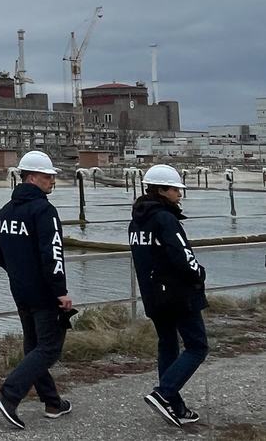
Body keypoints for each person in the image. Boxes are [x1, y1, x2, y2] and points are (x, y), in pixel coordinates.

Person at [0, 150, 74, 429]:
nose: (53, 181)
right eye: (49, 176)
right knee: (49, 349)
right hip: (44, 292)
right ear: (33, 177)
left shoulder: (6, 210)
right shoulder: (44, 210)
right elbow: (54, 253)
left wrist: (16, 272)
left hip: (20, 289)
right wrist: (60, 290)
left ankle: (52, 402)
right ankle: (9, 394)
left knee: (33, 346)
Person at [129, 164, 208, 427]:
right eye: (175, 189)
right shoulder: (165, 219)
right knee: (197, 346)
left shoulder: (136, 222)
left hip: (152, 295)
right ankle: (163, 394)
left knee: (168, 345)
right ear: (161, 190)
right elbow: (183, 256)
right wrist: (199, 273)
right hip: (177, 295)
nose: (180, 195)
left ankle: (175, 407)